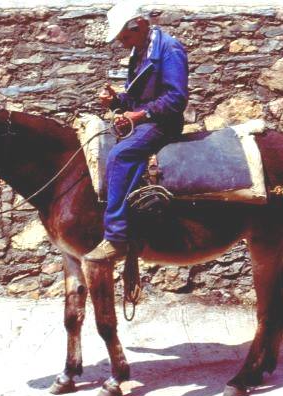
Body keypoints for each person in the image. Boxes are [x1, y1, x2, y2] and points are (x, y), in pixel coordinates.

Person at [84, 1, 189, 262]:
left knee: (121, 156)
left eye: (125, 36)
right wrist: (117, 101)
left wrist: (140, 115)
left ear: (140, 25)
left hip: (162, 125)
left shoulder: (170, 49)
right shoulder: (139, 49)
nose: (122, 42)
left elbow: (176, 99)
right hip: (145, 120)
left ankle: (116, 237)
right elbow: (136, 99)